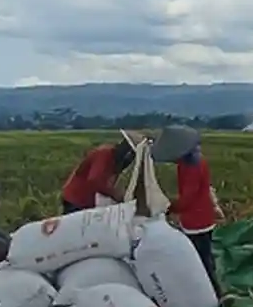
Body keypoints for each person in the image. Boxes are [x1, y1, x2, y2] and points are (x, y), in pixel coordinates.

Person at [151, 125, 223, 298]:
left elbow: (187, 198)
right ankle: (212, 292)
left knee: (200, 261)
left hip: (196, 221)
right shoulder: (194, 160)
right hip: (202, 216)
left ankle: (214, 294)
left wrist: (167, 208)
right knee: (204, 257)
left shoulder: (191, 167)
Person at [60, 135, 138, 214]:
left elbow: (117, 168)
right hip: (77, 197)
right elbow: (95, 179)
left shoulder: (113, 158)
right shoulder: (104, 155)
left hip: (85, 199)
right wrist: (113, 193)